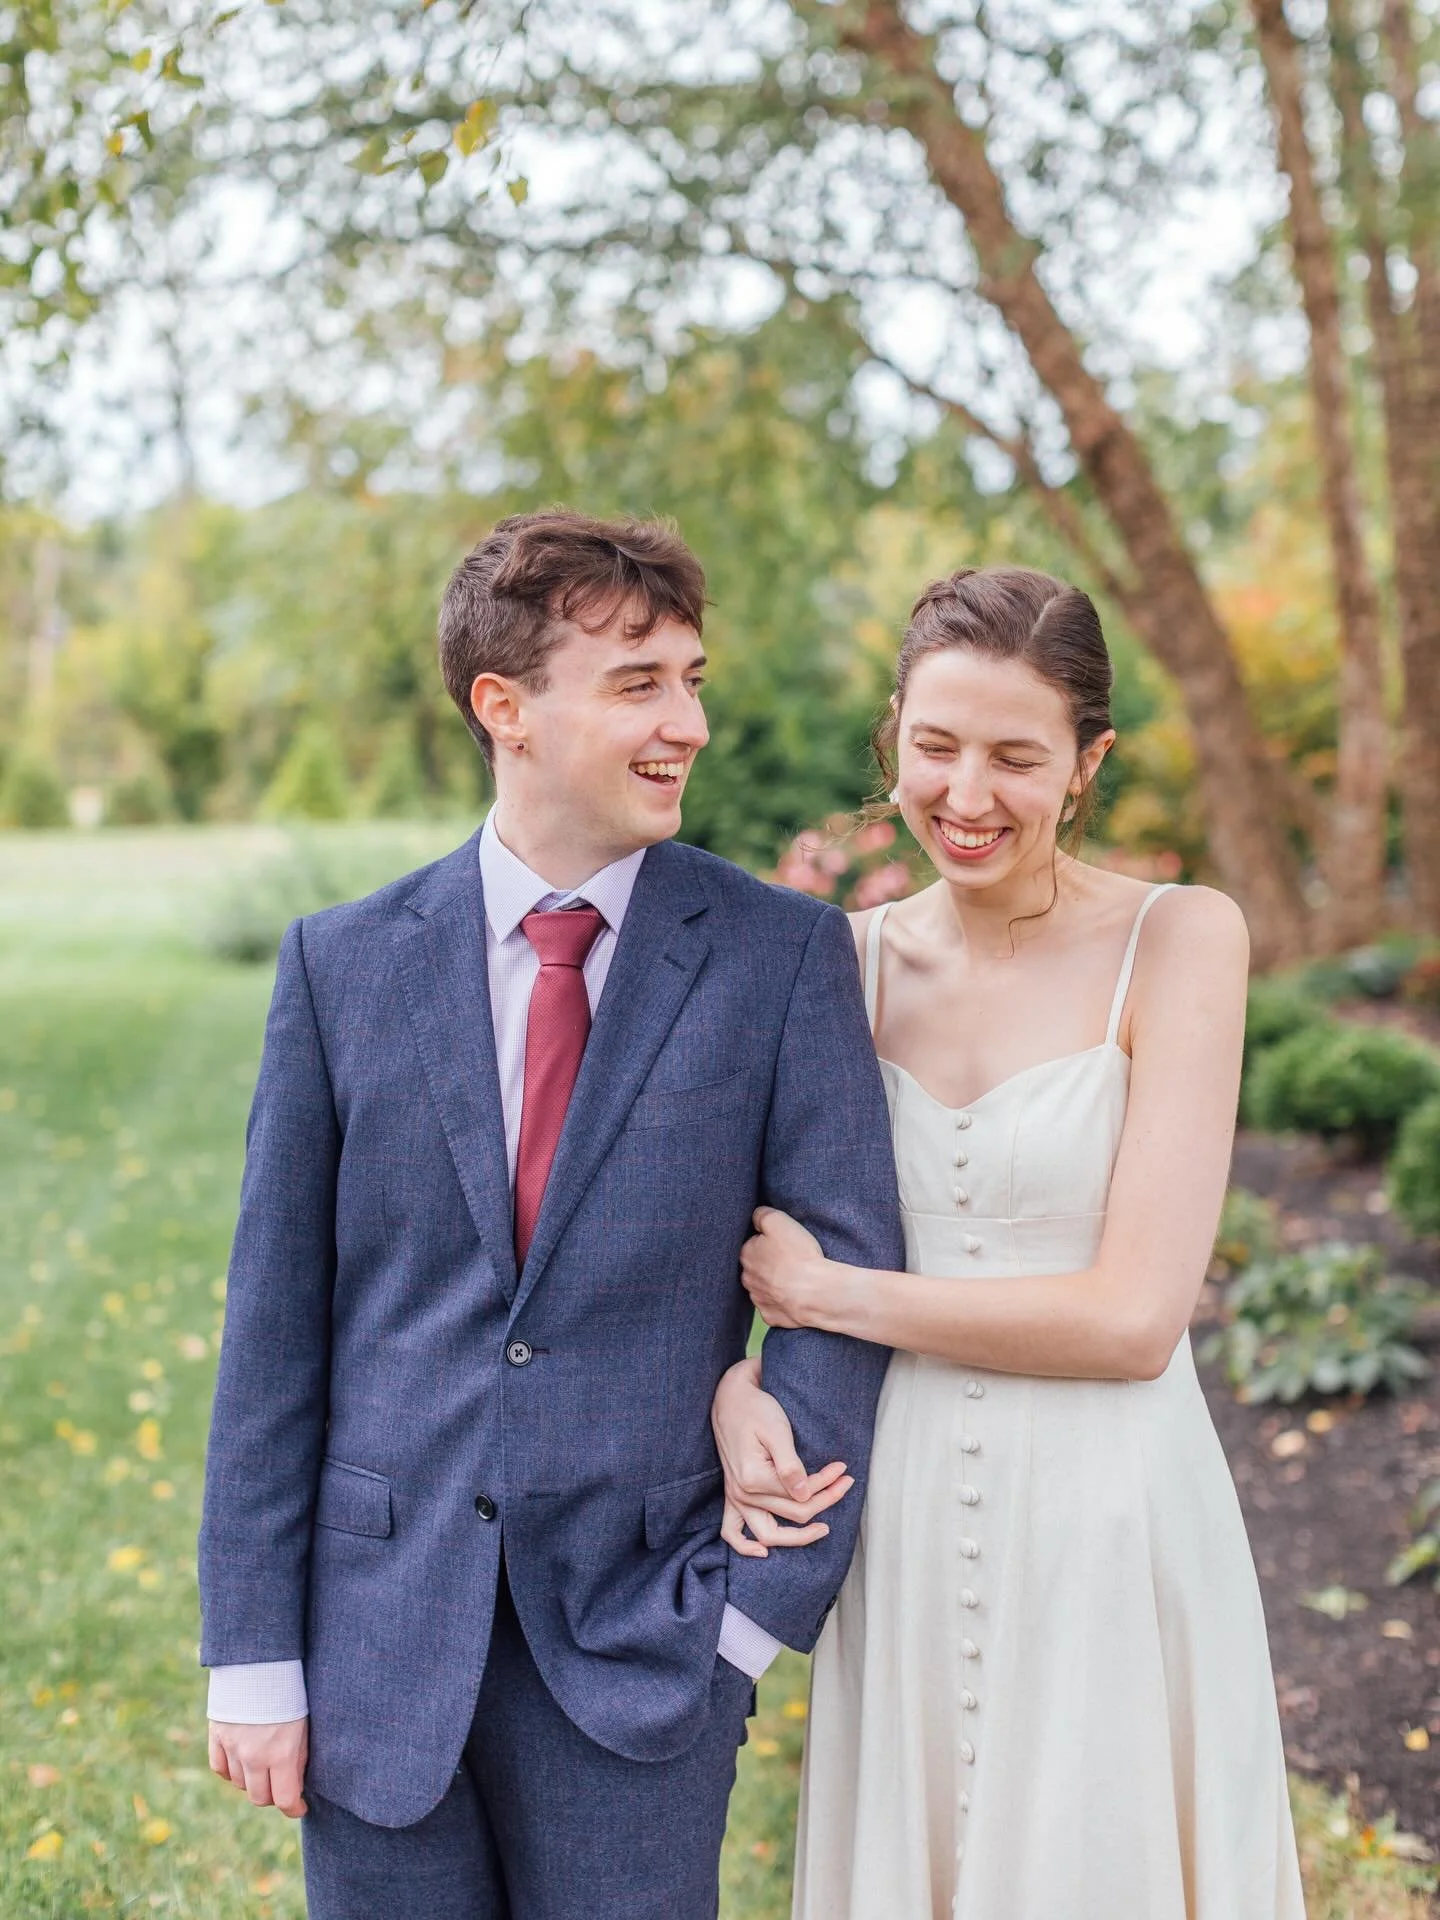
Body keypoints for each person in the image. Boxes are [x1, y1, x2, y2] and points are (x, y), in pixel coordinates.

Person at [198, 509, 904, 1920]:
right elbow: (277, 1333)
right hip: (374, 1643)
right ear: (503, 708)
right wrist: (258, 1658)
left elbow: (851, 1283)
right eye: (640, 682)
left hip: (647, 1648)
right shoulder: (342, 968)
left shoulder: (777, 957)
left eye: (693, 678)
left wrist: (746, 1628)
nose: (688, 721)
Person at [711, 566, 1307, 1919]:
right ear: (893, 737)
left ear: (1087, 764)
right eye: (935, 748)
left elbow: (1131, 1321)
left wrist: (837, 1295)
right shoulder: (834, 965)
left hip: (1110, 1510)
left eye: (1016, 758)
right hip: (902, 1506)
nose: (966, 797)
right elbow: (716, 1255)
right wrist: (735, 1388)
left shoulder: (1182, 940)